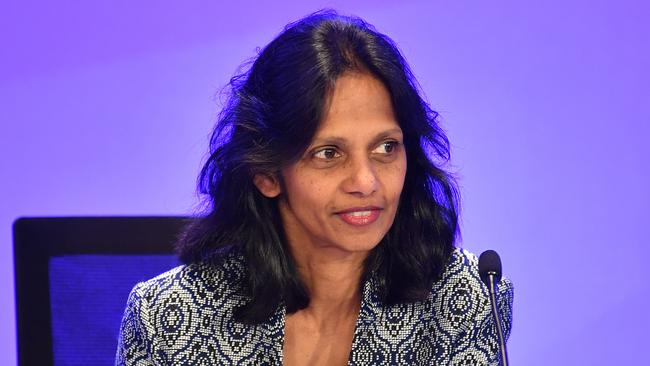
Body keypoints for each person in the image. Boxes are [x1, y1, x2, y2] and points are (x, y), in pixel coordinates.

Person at [116, 10, 513, 366]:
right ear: (267, 173)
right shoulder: (169, 320)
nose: (366, 182)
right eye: (328, 153)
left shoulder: (464, 301)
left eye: (386, 147)